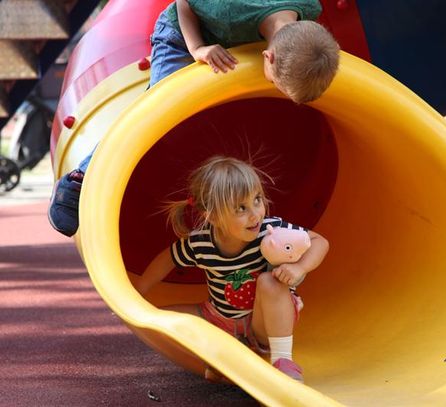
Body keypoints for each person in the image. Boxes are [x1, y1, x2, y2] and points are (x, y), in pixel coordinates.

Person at [48, 0, 340, 237]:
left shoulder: (308, 8)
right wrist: (197, 48)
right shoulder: (228, 9)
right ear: (269, 58)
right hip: (183, 35)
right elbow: (183, 4)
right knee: (155, 109)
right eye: (278, 84)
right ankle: (80, 178)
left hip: (236, 39)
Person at [133, 156, 329, 382]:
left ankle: (282, 359)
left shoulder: (271, 230)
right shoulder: (201, 244)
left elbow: (319, 241)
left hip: (264, 321)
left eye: (257, 200)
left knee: (269, 281)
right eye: (241, 208)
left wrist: (299, 268)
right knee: (156, 318)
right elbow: (167, 258)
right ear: (213, 216)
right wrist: (138, 294)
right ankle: (223, 359)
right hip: (220, 318)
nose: (255, 213)